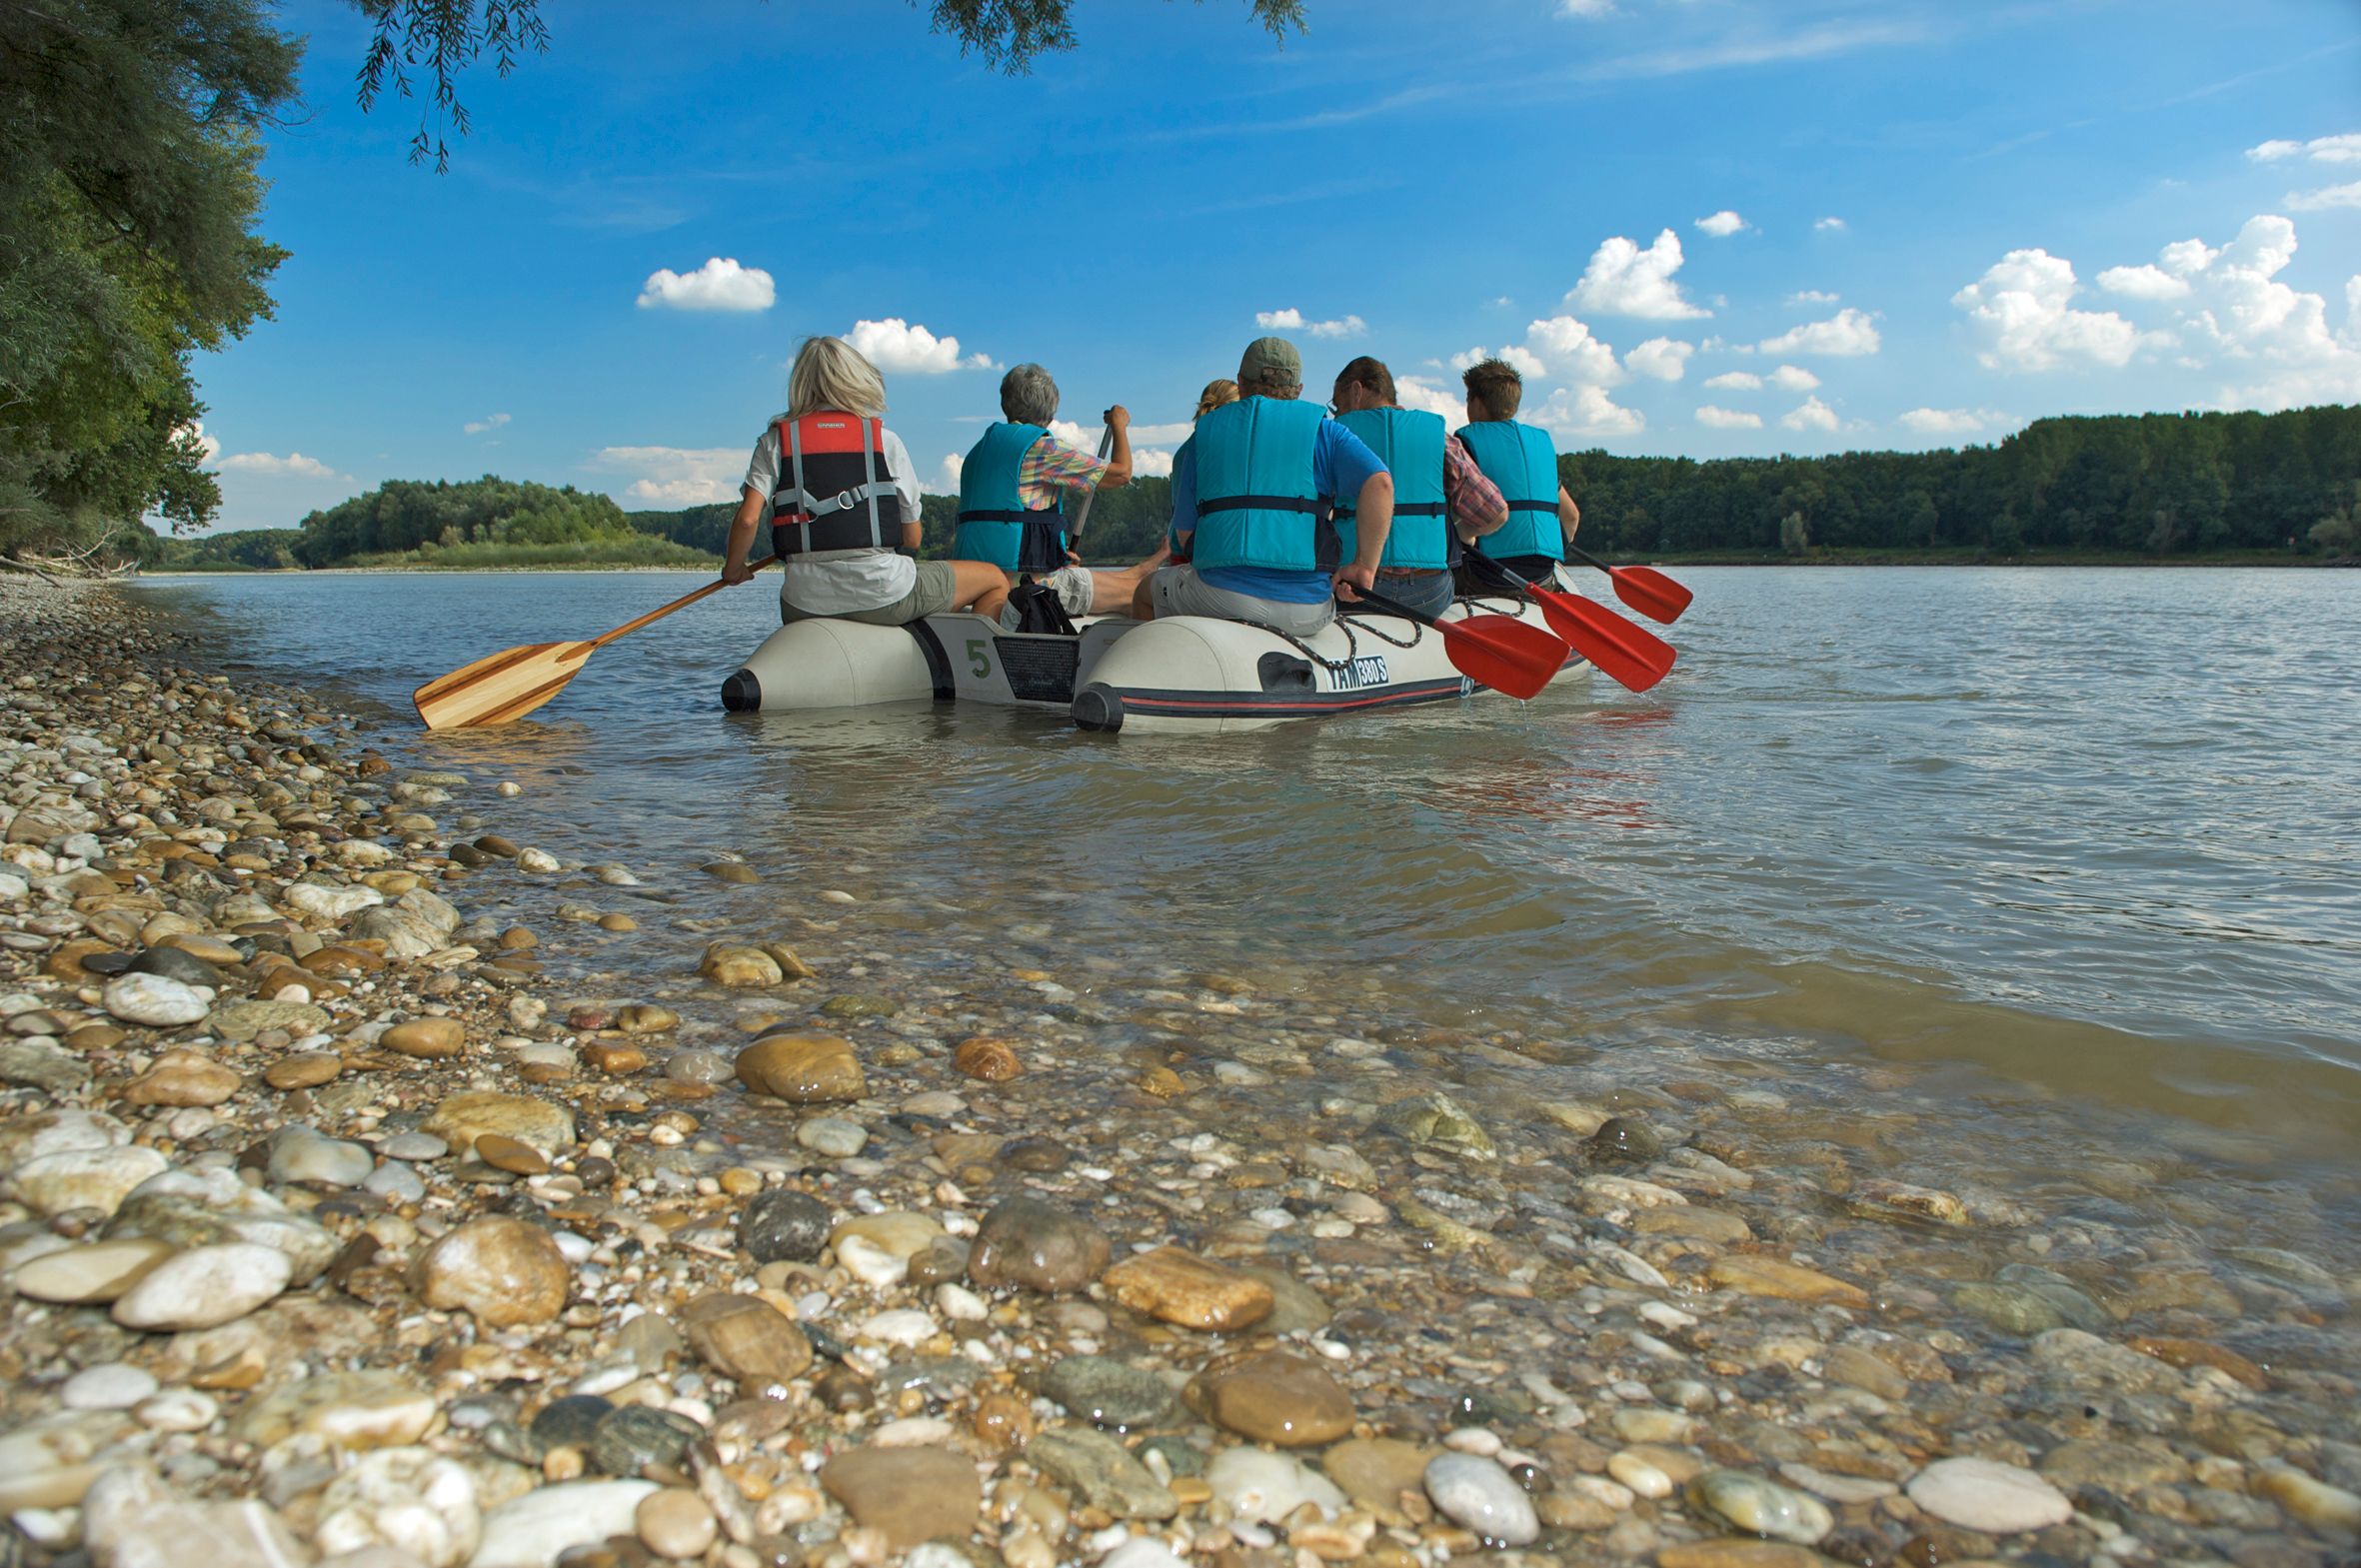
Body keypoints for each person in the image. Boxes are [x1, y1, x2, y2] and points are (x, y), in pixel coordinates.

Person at [721, 337, 1005, 624]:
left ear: (800, 383)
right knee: (994, 580)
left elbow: (747, 519)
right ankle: (970, 653)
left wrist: (734, 568)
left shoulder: (774, 442)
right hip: (883, 595)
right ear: (856, 379)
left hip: (802, 601)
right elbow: (912, 538)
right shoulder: (885, 441)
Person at [1143, 338, 1393, 635]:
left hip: (1220, 597)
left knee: (1146, 591)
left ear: (1241, 382)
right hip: (1306, 610)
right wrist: (1364, 567)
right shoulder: (1327, 432)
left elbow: (1185, 535)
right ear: (1298, 389)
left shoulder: (1205, 434)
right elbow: (1380, 483)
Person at [954, 363, 1164, 625]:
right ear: (1050, 410)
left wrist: (1056, 553)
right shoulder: (1042, 449)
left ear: (1005, 402)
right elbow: (1121, 473)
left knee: (1083, 573)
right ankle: (1140, 576)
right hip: (1027, 588)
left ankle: (1140, 569)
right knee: (1140, 593)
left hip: (977, 584)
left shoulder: (977, 453)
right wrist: (1119, 425)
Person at [1328, 356, 1507, 619]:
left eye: (1337, 404)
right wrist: (1460, 534)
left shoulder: (1335, 438)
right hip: (1429, 593)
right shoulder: (1439, 438)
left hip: (1356, 590)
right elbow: (1496, 512)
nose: (1337, 413)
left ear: (1356, 391)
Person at [1451, 357, 1583, 594]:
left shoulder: (1466, 442)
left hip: (1486, 576)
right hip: (1542, 576)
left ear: (1477, 403)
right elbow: (1571, 517)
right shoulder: (1541, 444)